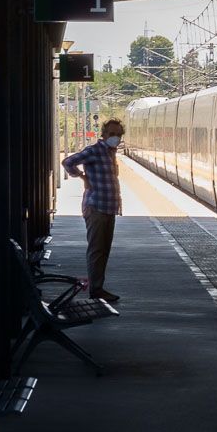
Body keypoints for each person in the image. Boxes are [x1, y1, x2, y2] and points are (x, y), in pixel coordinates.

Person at [62, 118, 124, 303]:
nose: (116, 138)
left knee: (104, 250)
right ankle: (96, 290)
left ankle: (99, 287)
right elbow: (68, 162)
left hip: (109, 208)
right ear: (103, 135)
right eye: (112, 134)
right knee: (97, 250)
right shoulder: (94, 151)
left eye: (119, 135)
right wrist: (81, 177)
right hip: (96, 206)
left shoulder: (111, 153)